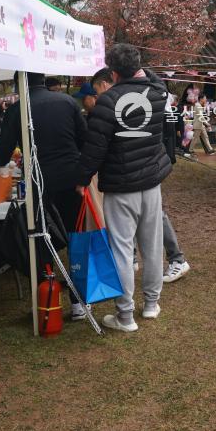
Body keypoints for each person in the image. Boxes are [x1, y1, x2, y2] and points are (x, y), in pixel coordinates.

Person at [77, 45, 172, 332]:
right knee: (152, 245)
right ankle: (152, 304)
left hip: (120, 186)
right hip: (151, 183)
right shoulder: (156, 94)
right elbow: (156, 81)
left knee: (121, 249)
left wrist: (82, 179)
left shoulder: (107, 102)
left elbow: (95, 149)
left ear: (113, 72)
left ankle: (125, 316)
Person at [0, 72, 89, 319]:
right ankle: (80, 302)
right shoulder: (67, 101)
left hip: (39, 182)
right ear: (44, 80)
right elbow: (85, 140)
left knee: (41, 240)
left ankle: (49, 305)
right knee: (76, 238)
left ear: (18, 83)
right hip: (71, 178)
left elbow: (1, 155)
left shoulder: (18, 109)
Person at [90, 67, 190, 284]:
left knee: (154, 219)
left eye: (97, 91)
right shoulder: (129, 97)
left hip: (148, 167)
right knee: (137, 219)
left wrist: (136, 67)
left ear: (108, 82)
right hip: (141, 168)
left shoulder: (142, 96)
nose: (97, 97)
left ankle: (176, 259)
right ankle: (138, 260)